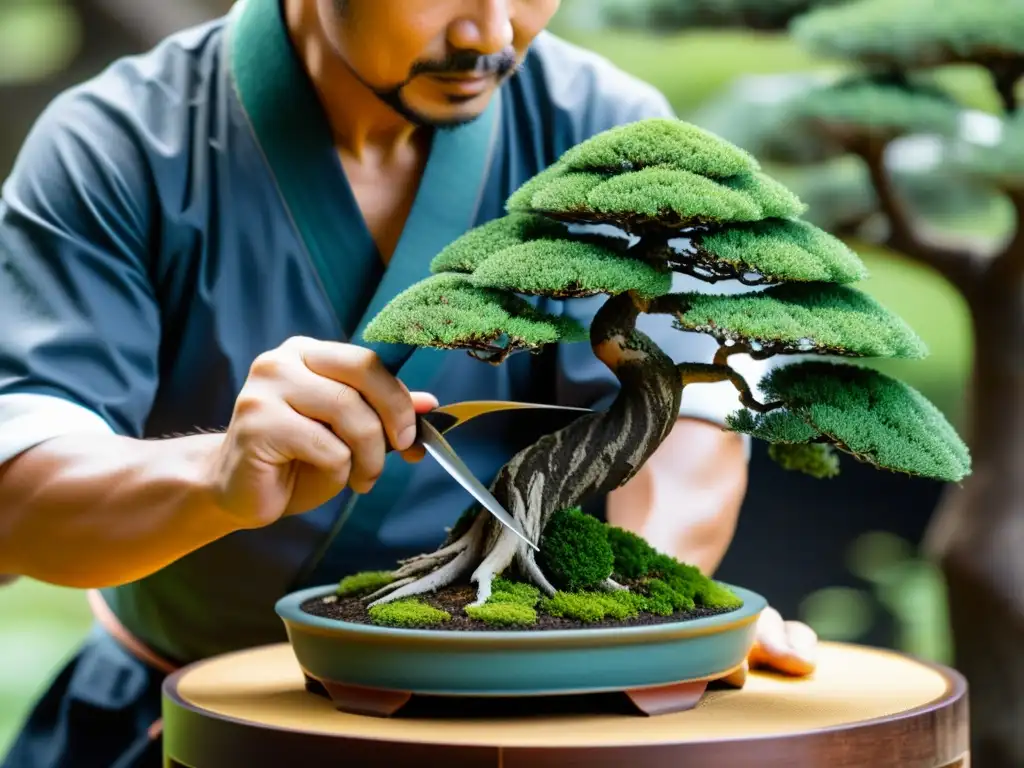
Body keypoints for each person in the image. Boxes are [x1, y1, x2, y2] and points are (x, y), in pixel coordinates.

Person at [0, 1, 817, 765]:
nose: (489, 33)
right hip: (182, 719)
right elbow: (20, 499)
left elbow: (689, 432)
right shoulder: (120, 143)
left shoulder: (609, 136)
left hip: (532, 720)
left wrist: (636, 620)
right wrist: (214, 479)